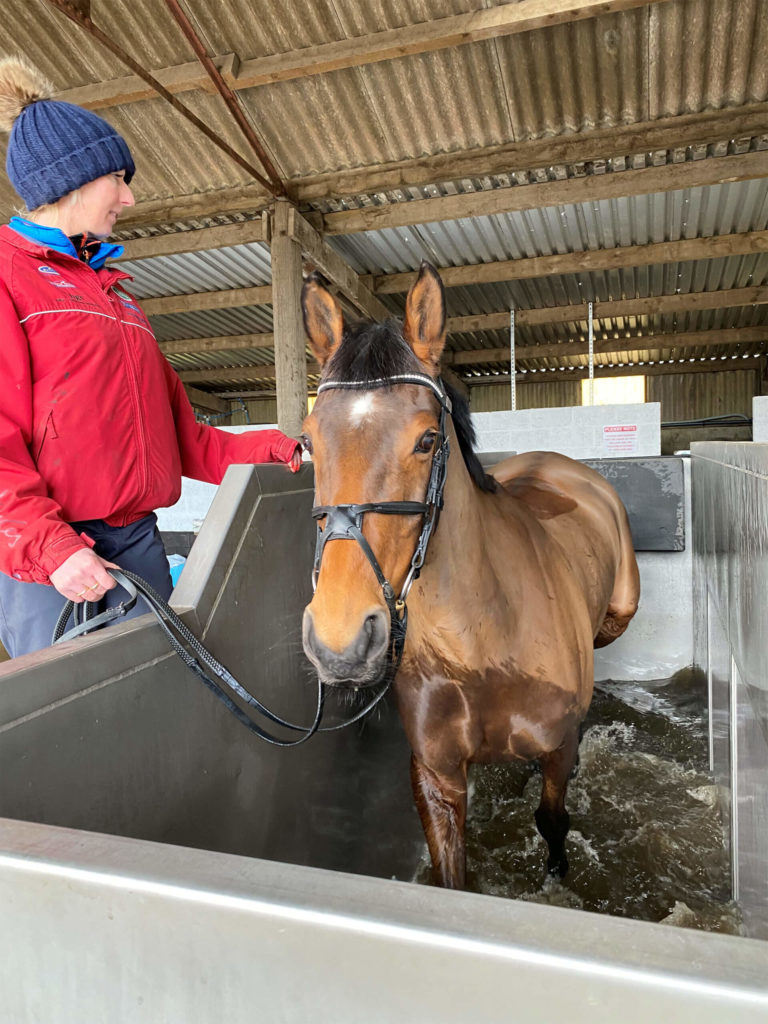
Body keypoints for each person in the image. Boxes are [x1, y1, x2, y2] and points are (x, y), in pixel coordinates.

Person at [0, 57, 302, 658]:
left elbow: (185, 439)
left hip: (137, 538)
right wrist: (51, 547)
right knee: (78, 726)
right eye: (119, 178)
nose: (130, 198)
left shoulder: (117, 297)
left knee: (163, 696)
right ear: (77, 181)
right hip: (54, 556)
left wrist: (279, 448)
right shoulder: (9, 278)